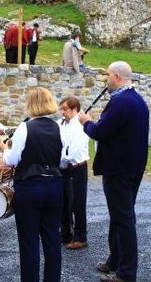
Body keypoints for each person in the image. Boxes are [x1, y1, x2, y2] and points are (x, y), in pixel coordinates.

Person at [78, 61, 149, 282]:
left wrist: (86, 122)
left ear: (117, 76)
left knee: (124, 219)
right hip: (133, 167)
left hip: (119, 169)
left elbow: (100, 131)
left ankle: (126, 273)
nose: (106, 79)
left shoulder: (121, 102)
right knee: (119, 217)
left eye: (108, 75)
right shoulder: (137, 100)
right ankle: (115, 260)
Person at [0, 87, 65, 282]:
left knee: (29, 241)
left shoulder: (24, 128)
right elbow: (62, 159)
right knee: (52, 238)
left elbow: (12, 159)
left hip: (30, 186)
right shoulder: (59, 126)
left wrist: (4, 150)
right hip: (54, 185)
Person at [59, 96, 90, 250]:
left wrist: (62, 161)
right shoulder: (61, 123)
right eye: (61, 109)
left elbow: (73, 150)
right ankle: (65, 233)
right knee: (64, 201)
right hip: (63, 167)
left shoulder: (81, 125)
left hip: (77, 167)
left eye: (65, 109)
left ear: (74, 109)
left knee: (77, 202)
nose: (62, 112)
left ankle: (80, 236)